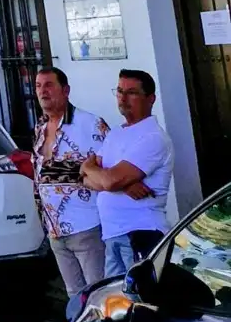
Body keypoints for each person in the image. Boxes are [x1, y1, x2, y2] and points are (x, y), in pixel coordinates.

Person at [81, 68, 173, 278]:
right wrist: (123, 183)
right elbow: (85, 179)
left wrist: (94, 170)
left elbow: (109, 180)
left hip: (139, 233)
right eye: (119, 91)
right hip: (113, 233)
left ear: (150, 98)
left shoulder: (152, 137)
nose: (123, 98)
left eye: (131, 92)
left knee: (139, 302)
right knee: (115, 304)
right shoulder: (116, 133)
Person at [31, 67, 109, 297]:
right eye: (38, 86)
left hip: (86, 225)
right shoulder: (40, 127)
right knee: (75, 297)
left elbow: (110, 169)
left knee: (99, 294)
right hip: (54, 229)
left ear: (65, 90)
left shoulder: (90, 125)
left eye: (48, 85)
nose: (42, 91)